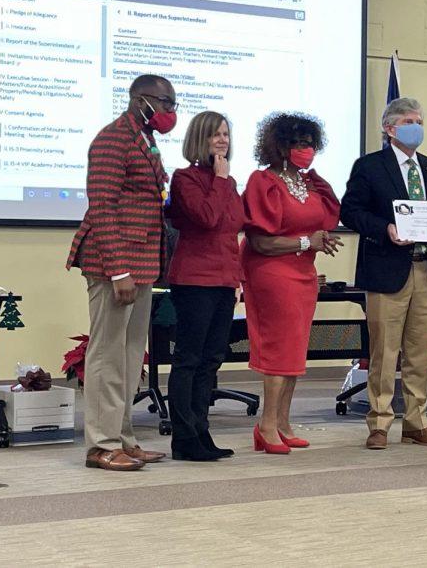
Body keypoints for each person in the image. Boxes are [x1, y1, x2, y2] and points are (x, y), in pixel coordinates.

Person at [66, 74, 176, 471]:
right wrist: (117, 271)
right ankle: (100, 445)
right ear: (141, 100)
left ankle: (123, 438)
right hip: (114, 264)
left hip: (142, 263)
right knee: (107, 356)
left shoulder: (145, 139)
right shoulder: (113, 139)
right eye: (165, 103)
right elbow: (103, 206)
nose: (170, 112)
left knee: (130, 356)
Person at [341, 97, 427, 450]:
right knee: (385, 353)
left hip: (426, 268)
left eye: (418, 120)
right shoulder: (370, 166)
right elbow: (351, 211)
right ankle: (379, 422)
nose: (415, 126)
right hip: (387, 269)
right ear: (389, 128)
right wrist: (385, 228)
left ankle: (417, 422)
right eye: (407, 120)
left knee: (420, 352)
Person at [241, 112, 341, 454]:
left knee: (296, 350)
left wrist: (318, 239)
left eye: (311, 144)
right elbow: (261, 242)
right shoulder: (263, 181)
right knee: (278, 348)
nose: (307, 150)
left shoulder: (310, 183)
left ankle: (283, 423)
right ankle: (265, 425)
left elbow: (319, 223)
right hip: (271, 274)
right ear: (280, 145)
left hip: (303, 274)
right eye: (299, 144)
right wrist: (305, 242)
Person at [164, 111, 245, 461]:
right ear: (200, 138)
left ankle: (201, 429)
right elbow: (209, 218)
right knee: (189, 360)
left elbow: (235, 227)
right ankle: (183, 437)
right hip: (195, 279)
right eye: (215, 134)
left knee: (211, 360)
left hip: (225, 279)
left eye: (226, 134)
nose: (223, 140)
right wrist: (222, 181)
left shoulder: (227, 181)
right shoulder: (186, 179)